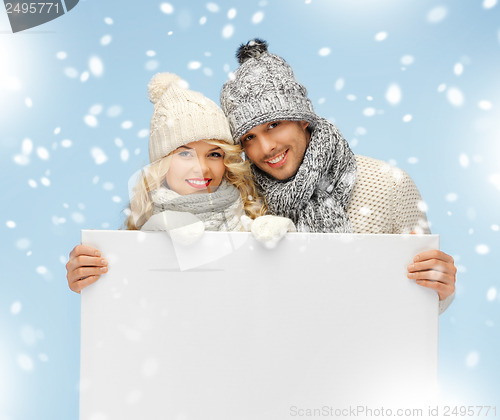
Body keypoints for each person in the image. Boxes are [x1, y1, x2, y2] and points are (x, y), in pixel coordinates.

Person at [219, 39, 456, 313]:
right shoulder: (243, 201)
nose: (266, 147)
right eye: (249, 137)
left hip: (370, 348)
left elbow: (424, 302)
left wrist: (442, 287)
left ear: (302, 119)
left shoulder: (389, 185)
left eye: (274, 125)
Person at [66, 72, 294, 293]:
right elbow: (126, 303)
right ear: (162, 164)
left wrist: (291, 247)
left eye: (214, 154)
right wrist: (89, 275)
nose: (202, 168)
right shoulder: (135, 235)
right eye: (185, 154)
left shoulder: (253, 215)